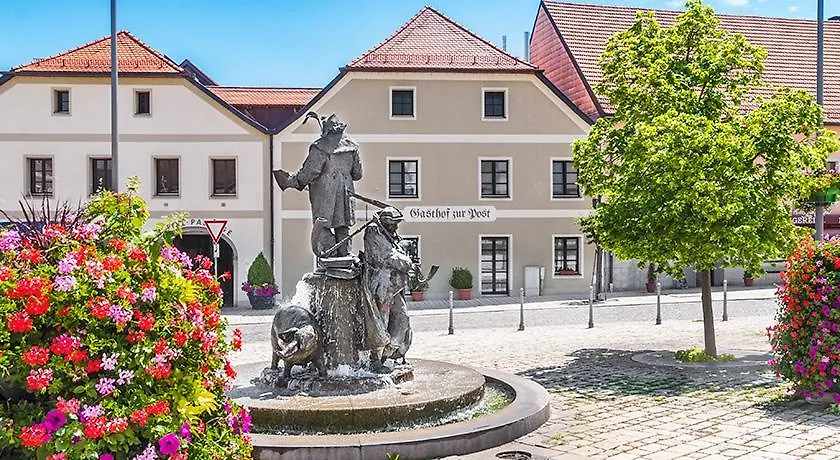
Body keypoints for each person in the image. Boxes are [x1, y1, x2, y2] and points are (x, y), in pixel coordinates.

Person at [274, 113, 362, 258]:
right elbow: (358, 174)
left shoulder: (320, 147)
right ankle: (345, 258)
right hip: (346, 194)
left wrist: (293, 181)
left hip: (324, 194)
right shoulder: (352, 147)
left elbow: (308, 173)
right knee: (343, 227)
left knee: (321, 226)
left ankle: (331, 258)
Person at [361, 207, 413, 370]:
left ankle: (388, 353)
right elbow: (388, 256)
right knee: (380, 322)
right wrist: (407, 261)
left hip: (395, 285)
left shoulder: (391, 235)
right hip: (381, 286)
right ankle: (375, 359)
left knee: (402, 317)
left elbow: (396, 251)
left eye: (397, 224)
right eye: (393, 224)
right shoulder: (373, 233)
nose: (396, 227)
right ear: (385, 223)